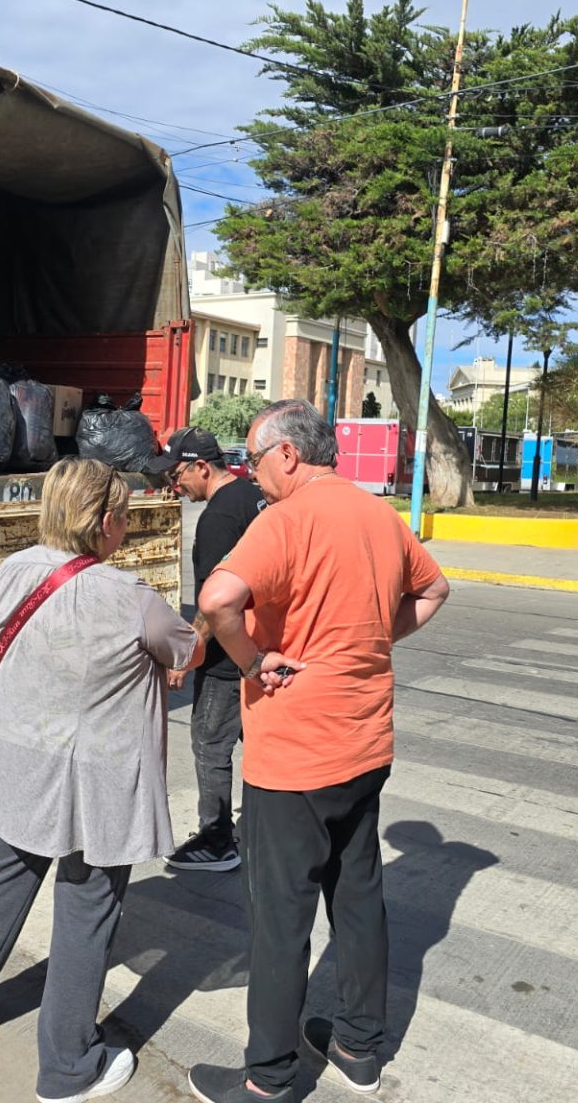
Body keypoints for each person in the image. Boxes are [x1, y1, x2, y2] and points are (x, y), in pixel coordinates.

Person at [0, 457, 203, 1103]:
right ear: (101, 524)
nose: (126, 528)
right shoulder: (130, 599)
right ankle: (69, 1068)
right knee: (87, 903)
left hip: (16, 759)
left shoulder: (13, 570)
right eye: (122, 517)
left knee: (1, 872)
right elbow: (187, 648)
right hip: (91, 779)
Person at [188, 400, 451, 1103]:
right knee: (358, 895)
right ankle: (361, 1048)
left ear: (288, 455)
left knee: (280, 915)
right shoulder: (376, 514)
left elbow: (218, 599)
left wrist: (249, 662)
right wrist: (367, 643)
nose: (251, 474)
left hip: (296, 751)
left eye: (254, 459)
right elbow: (434, 589)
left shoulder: (287, 519)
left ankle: (268, 1077)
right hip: (364, 740)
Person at [149, 426, 264, 872]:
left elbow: (216, 603)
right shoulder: (253, 496)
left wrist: (186, 657)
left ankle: (217, 841)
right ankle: (260, 829)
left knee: (210, 745)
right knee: (255, 743)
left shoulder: (218, 517)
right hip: (259, 645)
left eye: (178, 475)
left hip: (225, 660)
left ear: (201, 466)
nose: (174, 486)